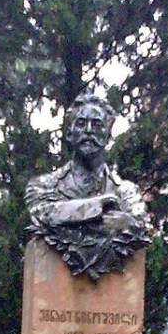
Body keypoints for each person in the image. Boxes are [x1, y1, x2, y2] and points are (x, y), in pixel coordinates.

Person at [26, 93, 151, 280]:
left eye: (97, 124)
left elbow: (139, 224)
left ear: (108, 136)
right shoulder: (44, 186)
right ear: (69, 134)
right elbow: (44, 213)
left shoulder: (127, 192)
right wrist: (98, 207)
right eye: (82, 123)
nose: (89, 131)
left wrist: (76, 219)